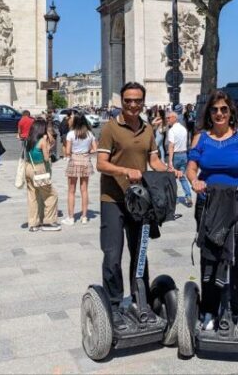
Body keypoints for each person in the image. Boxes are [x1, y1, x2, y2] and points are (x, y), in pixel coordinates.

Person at [185, 90, 238, 333]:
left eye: (224, 109)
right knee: (210, 257)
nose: (219, 113)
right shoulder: (200, 138)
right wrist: (194, 182)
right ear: (209, 113)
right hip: (209, 203)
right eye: (215, 109)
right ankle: (209, 308)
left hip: (237, 202)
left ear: (231, 113)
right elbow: (191, 168)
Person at [96, 82, 170, 329]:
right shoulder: (110, 128)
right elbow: (101, 164)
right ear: (122, 101)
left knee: (140, 255)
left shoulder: (148, 129)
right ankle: (115, 305)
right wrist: (125, 171)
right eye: (128, 100)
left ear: (143, 102)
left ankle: (141, 301)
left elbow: (154, 159)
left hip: (139, 201)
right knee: (112, 255)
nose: (132, 105)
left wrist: (168, 170)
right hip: (113, 200)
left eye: (137, 100)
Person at [23, 118, 60, 232]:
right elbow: (46, 157)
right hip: (39, 169)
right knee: (51, 194)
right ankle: (48, 222)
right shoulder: (42, 141)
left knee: (33, 196)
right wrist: (48, 147)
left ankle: (33, 223)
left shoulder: (28, 139)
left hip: (29, 167)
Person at [64, 113, 97, 225]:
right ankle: (84, 217)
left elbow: (68, 151)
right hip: (86, 161)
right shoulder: (90, 134)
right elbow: (95, 149)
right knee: (84, 190)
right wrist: (86, 152)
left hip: (74, 160)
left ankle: (71, 217)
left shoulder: (71, 134)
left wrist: (71, 154)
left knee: (71, 191)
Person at [167, 110, 193, 208]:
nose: (167, 120)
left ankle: (174, 198)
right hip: (184, 154)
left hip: (176, 156)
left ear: (174, 118)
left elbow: (171, 146)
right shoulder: (183, 129)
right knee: (182, 177)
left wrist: (170, 161)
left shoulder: (172, 130)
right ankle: (188, 195)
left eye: (169, 118)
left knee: (172, 178)